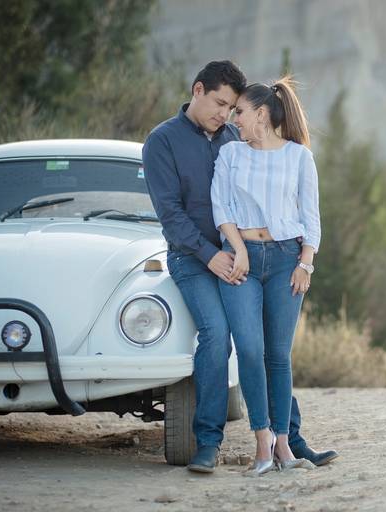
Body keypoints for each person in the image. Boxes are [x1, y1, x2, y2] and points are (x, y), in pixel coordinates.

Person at [142, 61, 337, 473]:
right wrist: (213, 253)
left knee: (269, 347)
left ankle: (290, 440)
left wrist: (299, 254)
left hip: (244, 255)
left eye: (233, 108)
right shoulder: (163, 141)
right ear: (197, 90)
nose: (225, 115)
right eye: (219, 104)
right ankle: (208, 442)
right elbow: (171, 214)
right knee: (218, 335)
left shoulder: (237, 138)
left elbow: (279, 188)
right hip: (195, 257)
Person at [211, 77, 320, 475]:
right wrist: (237, 249)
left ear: (261, 114)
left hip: (287, 259)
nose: (232, 119)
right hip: (241, 260)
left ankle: (284, 445)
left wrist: (305, 263)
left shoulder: (298, 157)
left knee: (278, 355)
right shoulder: (231, 154)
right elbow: (220, 207)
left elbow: (311, 217)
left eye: (239, 112)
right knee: (250, 351)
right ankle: (262, 443)